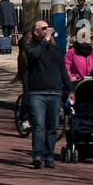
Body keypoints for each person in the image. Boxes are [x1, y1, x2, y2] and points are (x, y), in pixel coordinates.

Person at [23, 20, 70, 168]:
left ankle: (49, 156)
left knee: (52, 127)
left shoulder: (55, 50)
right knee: (39, 126)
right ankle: (37, 155)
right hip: (37, 93)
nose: (47, 30)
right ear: (36, 32)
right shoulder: (30, 46)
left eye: (48, 28)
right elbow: (33, 56)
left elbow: (63, 71)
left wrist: (70, 90)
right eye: (44, 28)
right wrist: (45, 41)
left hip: (55, 93)